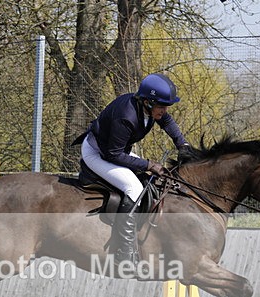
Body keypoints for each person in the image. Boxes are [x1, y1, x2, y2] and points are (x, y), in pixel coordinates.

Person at [76, 72, 189, 265]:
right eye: (162, 106)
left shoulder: (150, 109)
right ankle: (124, 251)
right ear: (147, 102)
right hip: (98, 153)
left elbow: (167, 122)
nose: (164, 110)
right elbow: (113, 155)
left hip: (116, 151)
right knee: (134, 188)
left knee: (154, 180)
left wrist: (183, 145)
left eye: (166, 106)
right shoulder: (126, 116)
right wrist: (149, 165)